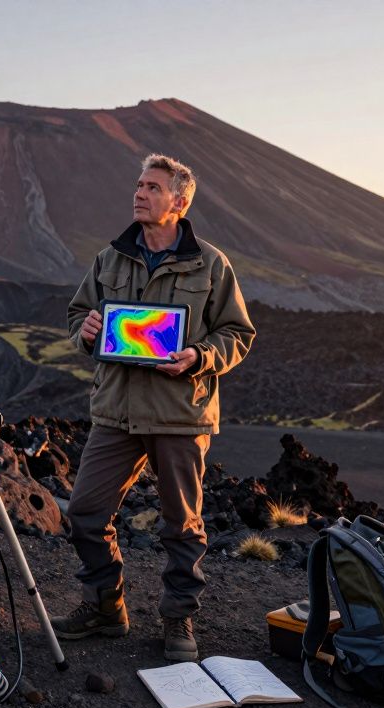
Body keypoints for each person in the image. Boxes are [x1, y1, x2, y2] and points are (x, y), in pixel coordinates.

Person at [52, 153, 256, 661]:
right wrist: (87, 331)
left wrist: (199, 356)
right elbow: (78, 314)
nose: (140, 194)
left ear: (180, 201)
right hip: (115, 414)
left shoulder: (210, 264)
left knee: (181, 524)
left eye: (153, 188)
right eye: (139, 185)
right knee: (84, 513)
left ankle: (178, 616)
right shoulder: (110, 259)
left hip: (180, 415)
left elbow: (238, 334)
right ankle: (104, 606)